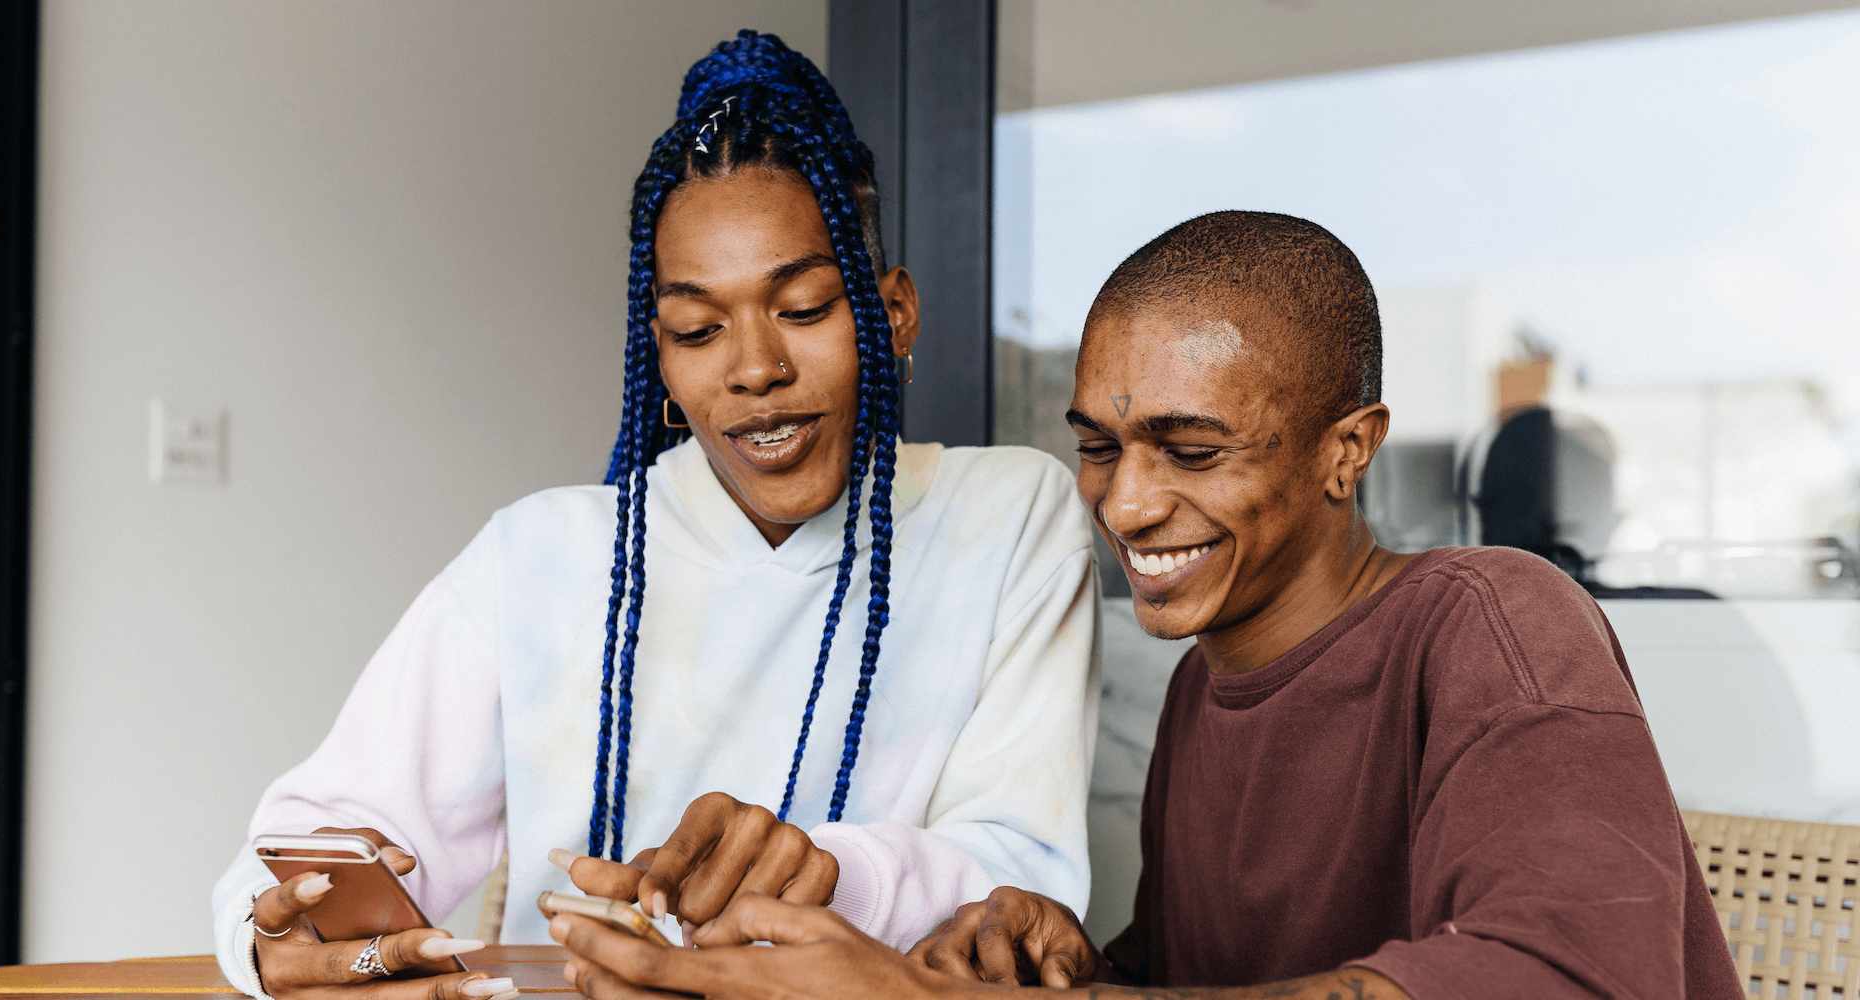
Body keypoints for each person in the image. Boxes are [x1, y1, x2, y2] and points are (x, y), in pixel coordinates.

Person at [548, 211, 1742, 1000]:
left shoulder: (1492, 617)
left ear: (1346, 451)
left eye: (1189, 448)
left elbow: (1570, 978)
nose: (1123, 504)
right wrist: (1064, 963)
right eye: (1100, 447)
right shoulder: (1201, 688)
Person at [210, 32, 1100, 1000]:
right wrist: (273, 927)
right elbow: (322, 832)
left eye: (802, 308)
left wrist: (826, 869)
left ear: (892, 317)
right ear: (661, 367)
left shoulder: (1007, 515)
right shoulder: (540, 554)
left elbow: (1029, 876)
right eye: (696, 329)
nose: (754, 368)